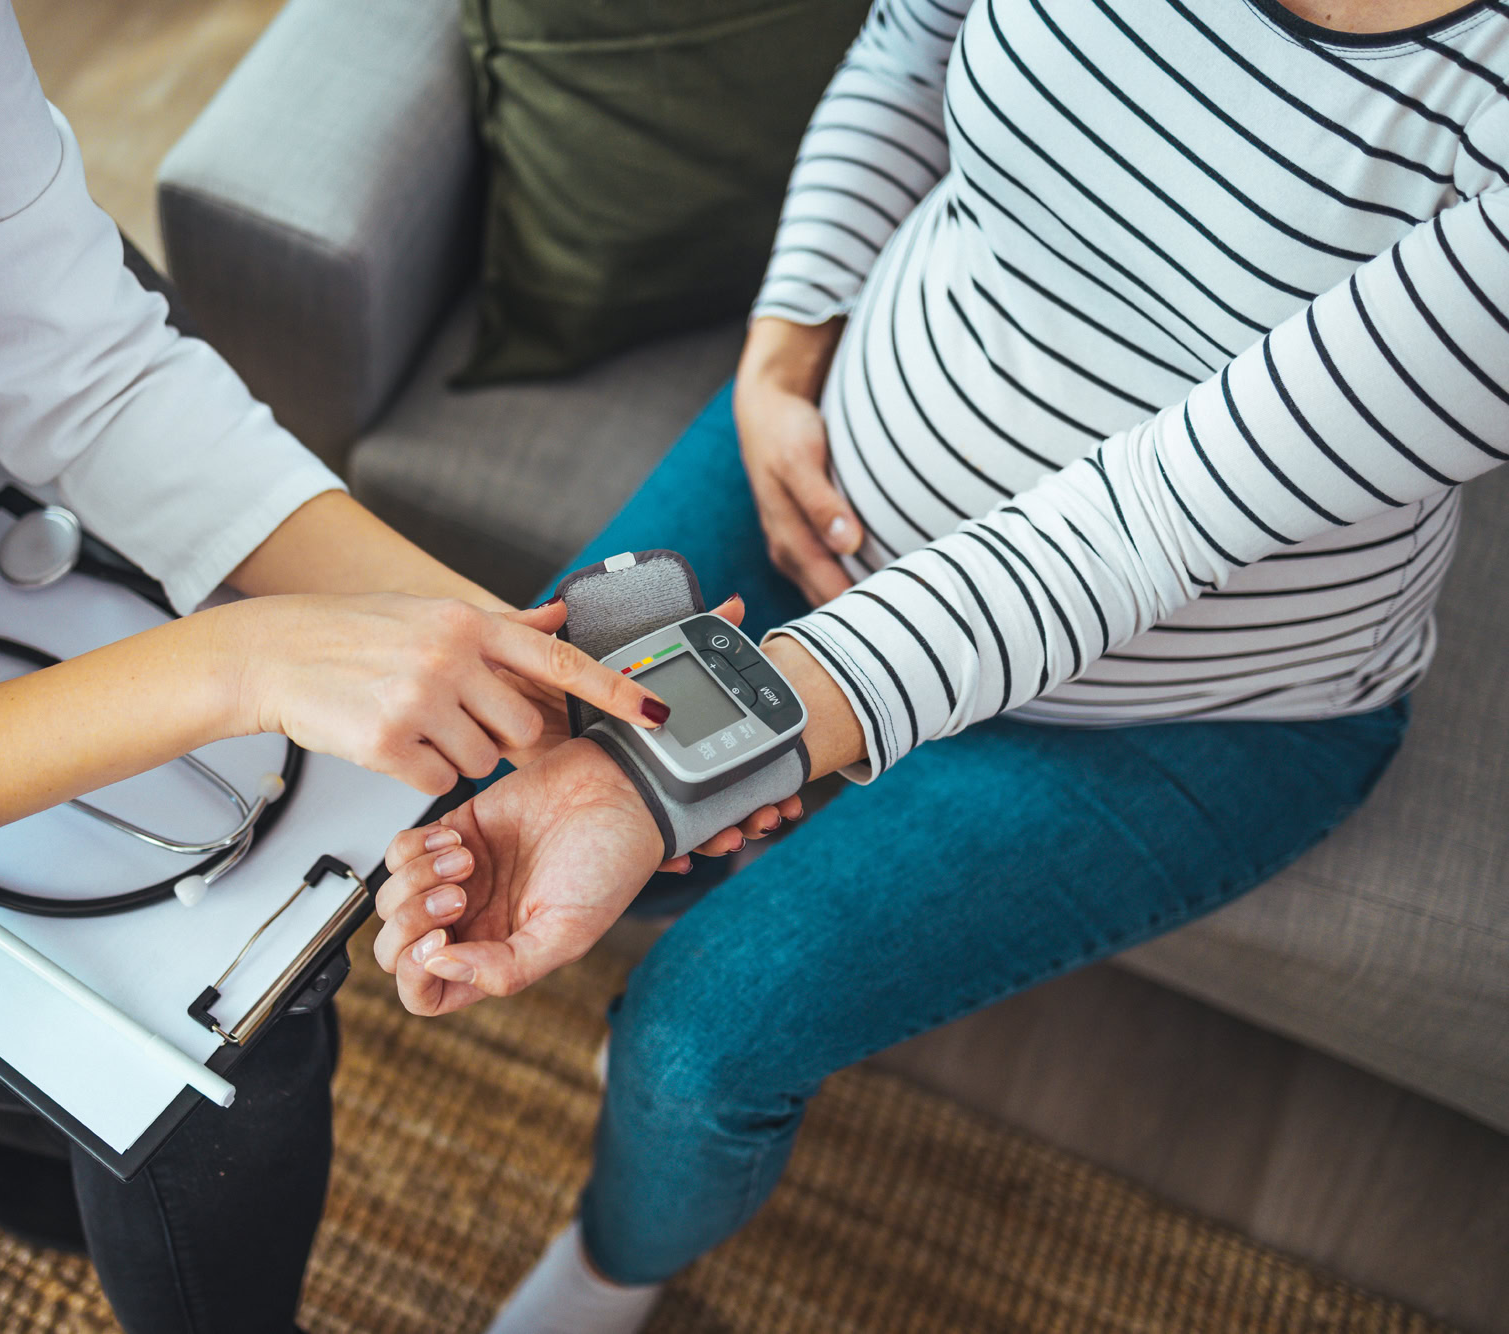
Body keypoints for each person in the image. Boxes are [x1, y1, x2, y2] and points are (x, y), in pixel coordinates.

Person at [0, 2, 782, 1331]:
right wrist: (234, 663)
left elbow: (92, 363)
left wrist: (519, 661)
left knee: (280, 926)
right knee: (233, 1043)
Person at [374, 1, 1508, 1330]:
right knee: (504, 743)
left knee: (697, 1039)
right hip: (825, 485)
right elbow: (913, 39)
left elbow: (1144, 525)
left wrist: (710, 759)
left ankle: (606, 1277)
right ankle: (743, 841)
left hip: (1180, 707)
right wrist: (781, 348)